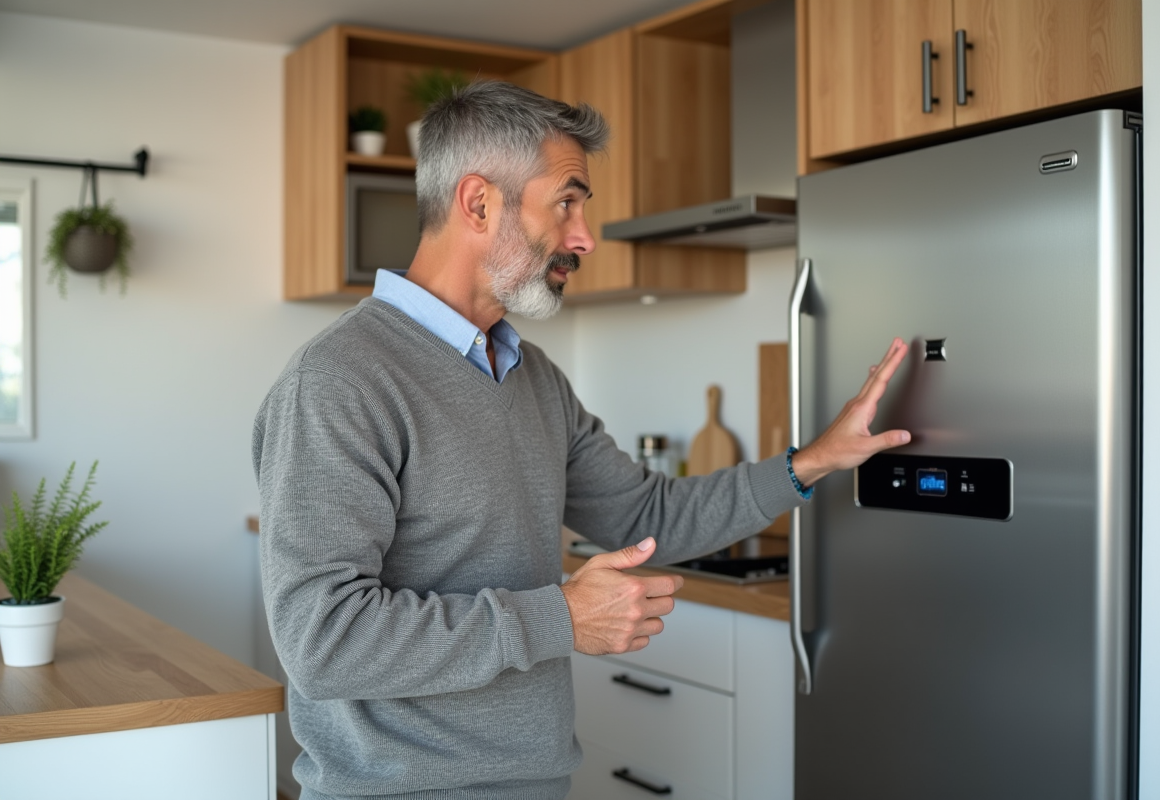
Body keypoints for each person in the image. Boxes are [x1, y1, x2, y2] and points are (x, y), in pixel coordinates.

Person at [252, 80, 910, 800]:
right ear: (478, 203)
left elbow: (649, 516)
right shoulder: (341, 380)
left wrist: (812, 461)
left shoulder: (532, 377)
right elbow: (324, 641)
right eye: (567, 200)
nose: (584, 237)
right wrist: (559, 616)